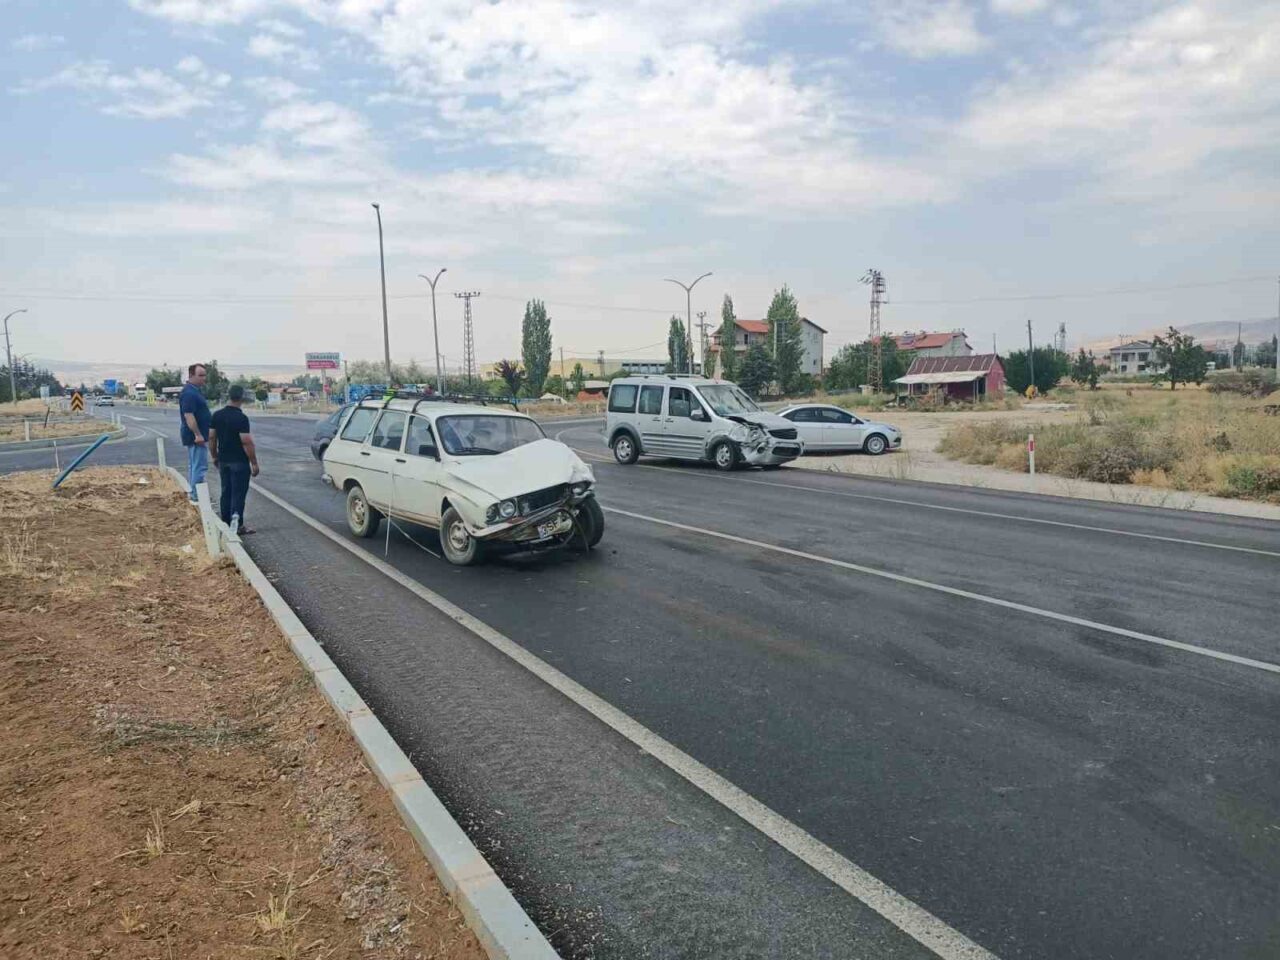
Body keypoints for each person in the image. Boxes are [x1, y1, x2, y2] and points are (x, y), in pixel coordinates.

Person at [209, 384, 260, 534]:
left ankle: (224, 522)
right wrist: (254, 463)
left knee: (226, 491)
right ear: (242, 397)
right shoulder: (241, 418)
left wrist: (214, 456)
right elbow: (246, 441)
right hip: (239, 461)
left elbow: (211, 437)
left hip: (223, 460)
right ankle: (237, 525)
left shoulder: (217, 415)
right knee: (238, 494)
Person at [179, 363, 211, 502]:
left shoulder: (194, 390)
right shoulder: (189, 393)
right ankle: (196, 498)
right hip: (196, 437)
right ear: (191, 375)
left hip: (197, 436)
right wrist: (198, 435)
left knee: (195, 466)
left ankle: (194, 495)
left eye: (204, 375)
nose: (204, 378)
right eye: (201, 375)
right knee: (200, 467)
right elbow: (189, 416)